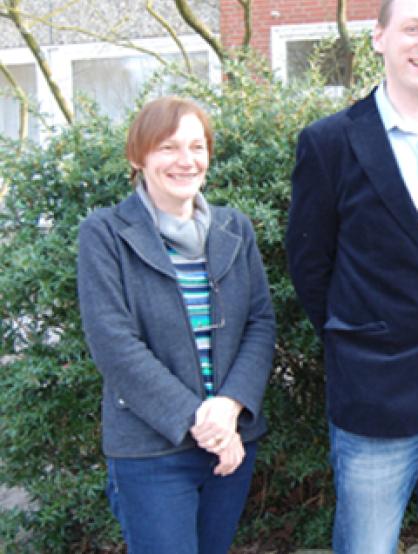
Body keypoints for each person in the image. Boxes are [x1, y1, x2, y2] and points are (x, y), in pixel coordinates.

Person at [285, 0, 418, 551]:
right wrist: (358, 345)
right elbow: (310, 267)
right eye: (412, 29)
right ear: (379, 38)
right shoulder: (330, 142)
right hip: (375, 401)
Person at [77, 96, 276, 553]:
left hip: (231, 445)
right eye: (168, 147)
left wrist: (228, 409)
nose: (185, 161)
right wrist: (201, 422)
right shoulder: (105, 234)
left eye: (197, 147)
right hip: (152, 451)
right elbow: (114, 344)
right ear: (138, 156)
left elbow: (259, 323)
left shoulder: (235, 229)